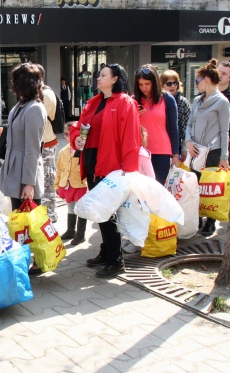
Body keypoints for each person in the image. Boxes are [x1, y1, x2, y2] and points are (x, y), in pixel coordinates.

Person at [70, 63, 141, 279]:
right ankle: (107, 251)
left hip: (110, 166)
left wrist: (128, 171)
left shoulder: (125, 103)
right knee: (101, 211)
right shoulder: (94, 102)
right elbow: (78, 128)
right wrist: (77, 141)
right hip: (92, 162)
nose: (98, 79)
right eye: (98, 76)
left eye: (103, 75)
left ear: (115, 79)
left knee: (109, 213)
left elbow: (131, 139)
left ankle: (115, 260)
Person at [0, 63, 46, 275]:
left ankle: (39, 259)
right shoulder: (21, 105)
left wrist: (29, 183)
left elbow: (33, 149)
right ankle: (26, 257)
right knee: (20, 219)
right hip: (15, 168)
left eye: (14, 81)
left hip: (25, 172)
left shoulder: (34, 108)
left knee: (30, 220)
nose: (12, 86)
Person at [185, 59, 230, 236]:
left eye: (198, 81)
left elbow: (224, 130)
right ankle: (197, 218)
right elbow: (189, 124)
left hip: (213, 151)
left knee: (210, 186)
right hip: (195, 150)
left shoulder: (222, 102)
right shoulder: (196, 101)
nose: (196, 84)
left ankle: (210, 221)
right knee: (195, 186)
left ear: (208, 80)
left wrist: (224, 156)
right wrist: (187, 143)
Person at [132, 64, 179, 185]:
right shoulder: (133, 101)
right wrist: (133, 116)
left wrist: (175, 154)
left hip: (161, 151)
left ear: (155, 82)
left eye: (147, 84)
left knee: (157, 189)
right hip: (140, 152)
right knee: (140, 191)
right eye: (140, 84)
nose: (144, 88)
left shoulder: (167, 99)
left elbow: (173, 128)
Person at [54, 122, 87, 245]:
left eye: (69, 134)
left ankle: (80, 234)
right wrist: (57, 185)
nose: (66, 137)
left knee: (81, 208)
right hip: (67, 183)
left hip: (80, 184)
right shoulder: (63, 151)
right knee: (70, 207)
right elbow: (59, 169)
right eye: (65, 134)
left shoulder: (83, 150)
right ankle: (70, 230)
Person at [36, 64, 59, 223]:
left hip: (47, 143)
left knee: (48, 179)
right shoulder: (37, 94)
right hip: (41, 143)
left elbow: (39, 120)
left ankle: (50, 214)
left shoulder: (45, 94)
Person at [160, 70, 191, 159]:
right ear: (162, 85)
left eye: (175, 83)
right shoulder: (159, 101)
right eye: (169, 83)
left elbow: (188, 125)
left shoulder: (183, 102)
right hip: (162, 144)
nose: (173, 86)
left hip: (178, 145)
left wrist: (184, 148)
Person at [217, 61, 230, 164]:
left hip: (228, 144)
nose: (220, 75)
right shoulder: (207, 92)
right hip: (208, 144)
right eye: (219, 72)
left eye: (224, 74)